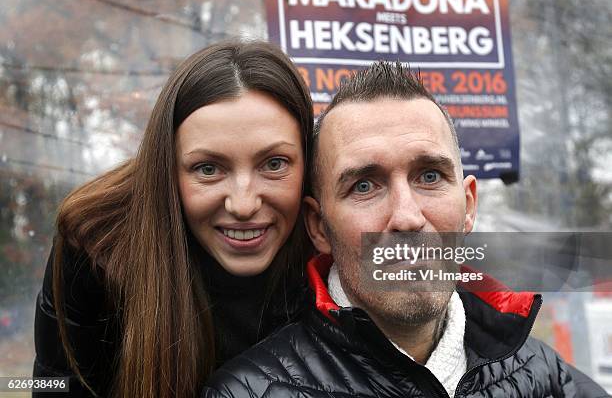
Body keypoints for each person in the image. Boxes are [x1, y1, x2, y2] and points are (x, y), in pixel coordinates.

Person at [202, 62, 608, 397]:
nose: (408, 217)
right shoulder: (248, 392)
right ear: (318, 226)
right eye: (364, 185)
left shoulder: (544, 375)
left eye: (429, 176)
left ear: (468, 206)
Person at [33, 39, 314, 398]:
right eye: (208, 168)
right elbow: (51, 385)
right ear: (166, 168)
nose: (243, 205)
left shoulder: (341, 229)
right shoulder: (96, 242)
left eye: (274, 164)